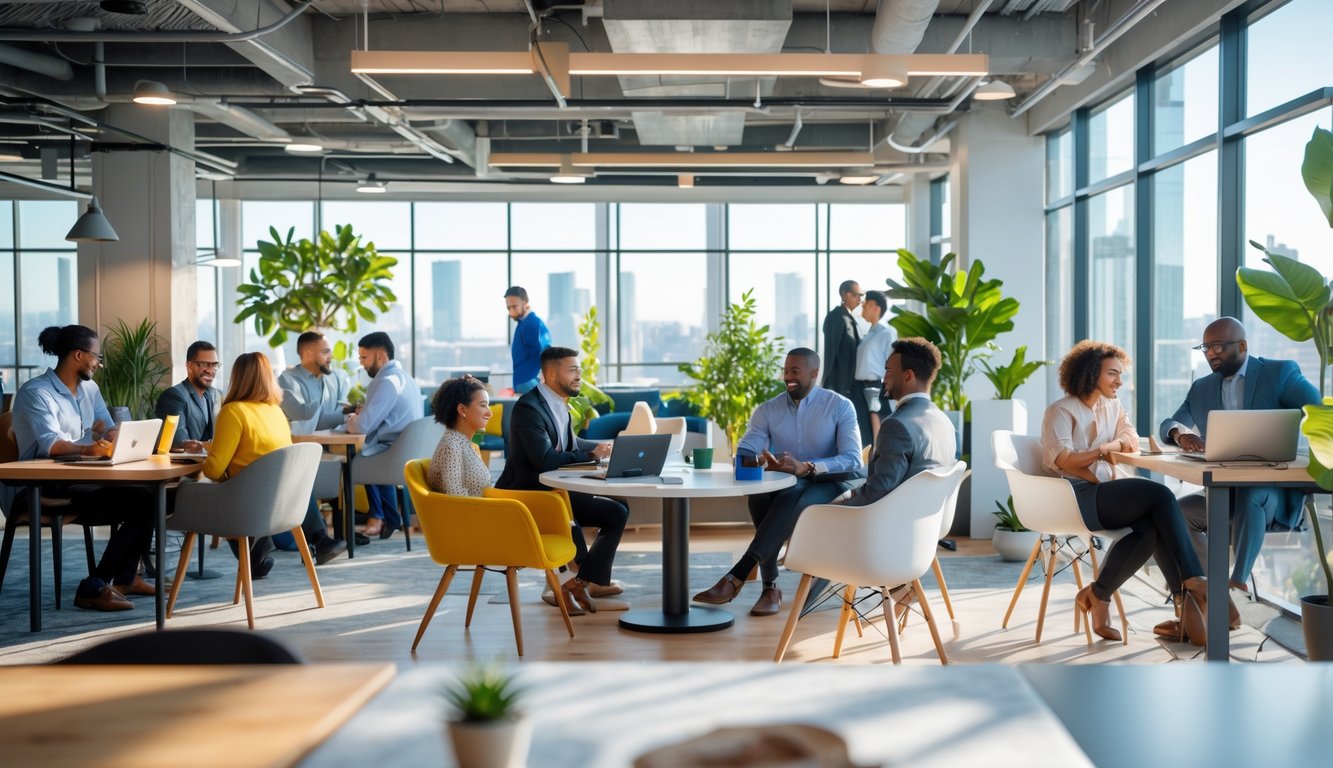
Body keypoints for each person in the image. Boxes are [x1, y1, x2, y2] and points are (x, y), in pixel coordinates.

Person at [1043, 340, 1218, 645]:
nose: (1120, 382)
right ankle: (1192, 585)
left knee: (1149, 529)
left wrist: (1110, 447)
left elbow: (1131, 438)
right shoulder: (1059, 411)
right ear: (1089, 373)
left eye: (1120, 374)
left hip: (1105, 492)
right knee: (1161, 497)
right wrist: (1102, 450)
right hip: (1075, 497)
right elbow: (1065, 459)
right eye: (1112, 373)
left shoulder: (1113, 406)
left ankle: (1100, 595)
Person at [693, 348, 863, 617]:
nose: (788, 377)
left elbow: (853, 459)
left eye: (795, 371)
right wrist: (760, 461)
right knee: (760, 496)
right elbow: (747, 452)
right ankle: (768, 587)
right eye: (785, 371)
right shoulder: (768, 410)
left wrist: (807, 467)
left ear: (814, 373)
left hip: (833, 481)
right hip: (791, 483)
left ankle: (741, 576)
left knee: (793, 493)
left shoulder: (839, 405)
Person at [1159, 316, 1320, 592]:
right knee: (1179, 512)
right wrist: (1180, 434)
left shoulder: (1278, 373)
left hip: (1273, 494)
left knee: (1251, 493)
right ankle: (1206, 590)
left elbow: (1318, 410)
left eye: (1218, 347)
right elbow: (1169, 423)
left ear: (1242, 345)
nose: (1211, 353)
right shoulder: (1201, 387)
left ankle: (1238, 581)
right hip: (1224, 493)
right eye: (1205, 348)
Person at [10, 325, 156, 611]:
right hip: (43, 483)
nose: (98, 363)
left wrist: (116, 435)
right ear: (78, 355)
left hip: (82, 475)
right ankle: (94, 586)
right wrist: (87, 448)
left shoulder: (90, 389)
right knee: (141, 501)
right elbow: (52, 445)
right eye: (96, 356)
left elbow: (106, 426)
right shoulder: (37, 392)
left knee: (147, 496)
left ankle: (125, 578)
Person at [496, 346, 628, 612]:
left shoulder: (560, 404)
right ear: (551, 373)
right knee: (569, 516)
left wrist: (604, 446)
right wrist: (590, 454)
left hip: (556, 491)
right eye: (572, 370)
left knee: (618, 510)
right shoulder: (528, 408)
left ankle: (590, 580)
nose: (579, 375)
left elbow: (568, 442)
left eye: (579, 369)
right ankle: (572, 584)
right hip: (530, 494)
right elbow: (544, 458)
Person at [204, 352, 346, 576]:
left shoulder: (233, 411)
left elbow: (213, 469)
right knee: (282, 478)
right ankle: (311, 541)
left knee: (209, 488)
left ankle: (254, 556)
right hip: (283, 503)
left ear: (237, 378)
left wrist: (210, 451)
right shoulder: (276, 412)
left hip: (247, 504)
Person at [347, 332, 422, 539]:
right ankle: (390, 517)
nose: (361, 363)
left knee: (352, 460)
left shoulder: (386, 382)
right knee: (368, 454)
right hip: (407, 454)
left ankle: (351, 531)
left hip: (392, 454)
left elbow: (362, 426)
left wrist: (351, 418)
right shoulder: (406, 379)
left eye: (364, 357)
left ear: (380, 356)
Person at [822, 280, 871, 448]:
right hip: (842, 385)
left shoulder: (849, 318)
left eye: (861, 295)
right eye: (856, 295)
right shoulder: (837, 317)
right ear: (844, 295)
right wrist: (833, 385)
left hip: (852, 383)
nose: (860, 299)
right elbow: (832, 353)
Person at [279, 331, 351, 436]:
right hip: (304, 448)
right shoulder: (287, 380)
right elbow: (307, 422)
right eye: (326, 352)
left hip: (336, 443)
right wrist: (346, 416)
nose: (331, 357)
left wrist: (349, 411)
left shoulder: (337, 378)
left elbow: (341, 409)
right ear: (309, 354)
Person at [154, 340, 221, 453]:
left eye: (214, 365)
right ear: (189, 366)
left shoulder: (216, 395)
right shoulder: (173, 397)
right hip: (185, 468)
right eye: (204, 364)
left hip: (210, 465)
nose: (210, 371)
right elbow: (180, 443)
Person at [854, 290, 895, 443]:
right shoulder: (868, 334)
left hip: (876, 387)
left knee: (877, 431)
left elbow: (892, 363)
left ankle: (878, 461)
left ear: (877, 309)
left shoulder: (886, 334)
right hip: (860, 387)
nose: (863, 307)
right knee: (865, 431)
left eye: (867, 305)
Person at [504, 286, 551, 395]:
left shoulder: (531, 324)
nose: (511, 312)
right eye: (508, 308)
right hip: (525, 384)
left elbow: (547, 353)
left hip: (530, 384)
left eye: (514, 307)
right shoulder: (523, 324)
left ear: (525, 303)